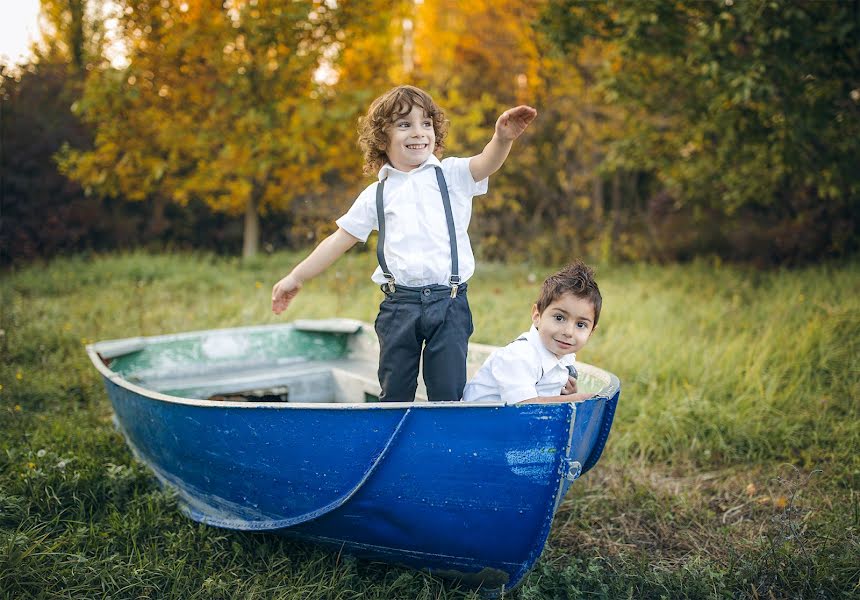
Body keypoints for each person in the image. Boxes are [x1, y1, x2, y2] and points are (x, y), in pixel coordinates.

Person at [271, 85, 536, 402]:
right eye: (404, 124)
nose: (419, 132)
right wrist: (295, 277)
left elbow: (486, 162)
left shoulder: (450, 174)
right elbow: (338, 240)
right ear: (383, 138)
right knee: (395, 390)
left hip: (449, 302)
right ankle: (396, 441)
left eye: (426, 123)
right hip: (399, 305)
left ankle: (442, 445)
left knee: (448, 390)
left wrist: (502, 138)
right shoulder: (377, 194)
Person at [462, 260, 601, 404]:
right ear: (537, 316)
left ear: (591, 331)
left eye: (580, 324)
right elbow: (525, 408)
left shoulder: (564, 356)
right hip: (474, 422)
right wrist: (573, 400)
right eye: (559, 318)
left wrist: (566, 394)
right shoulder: (520, 356)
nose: (568, 332)